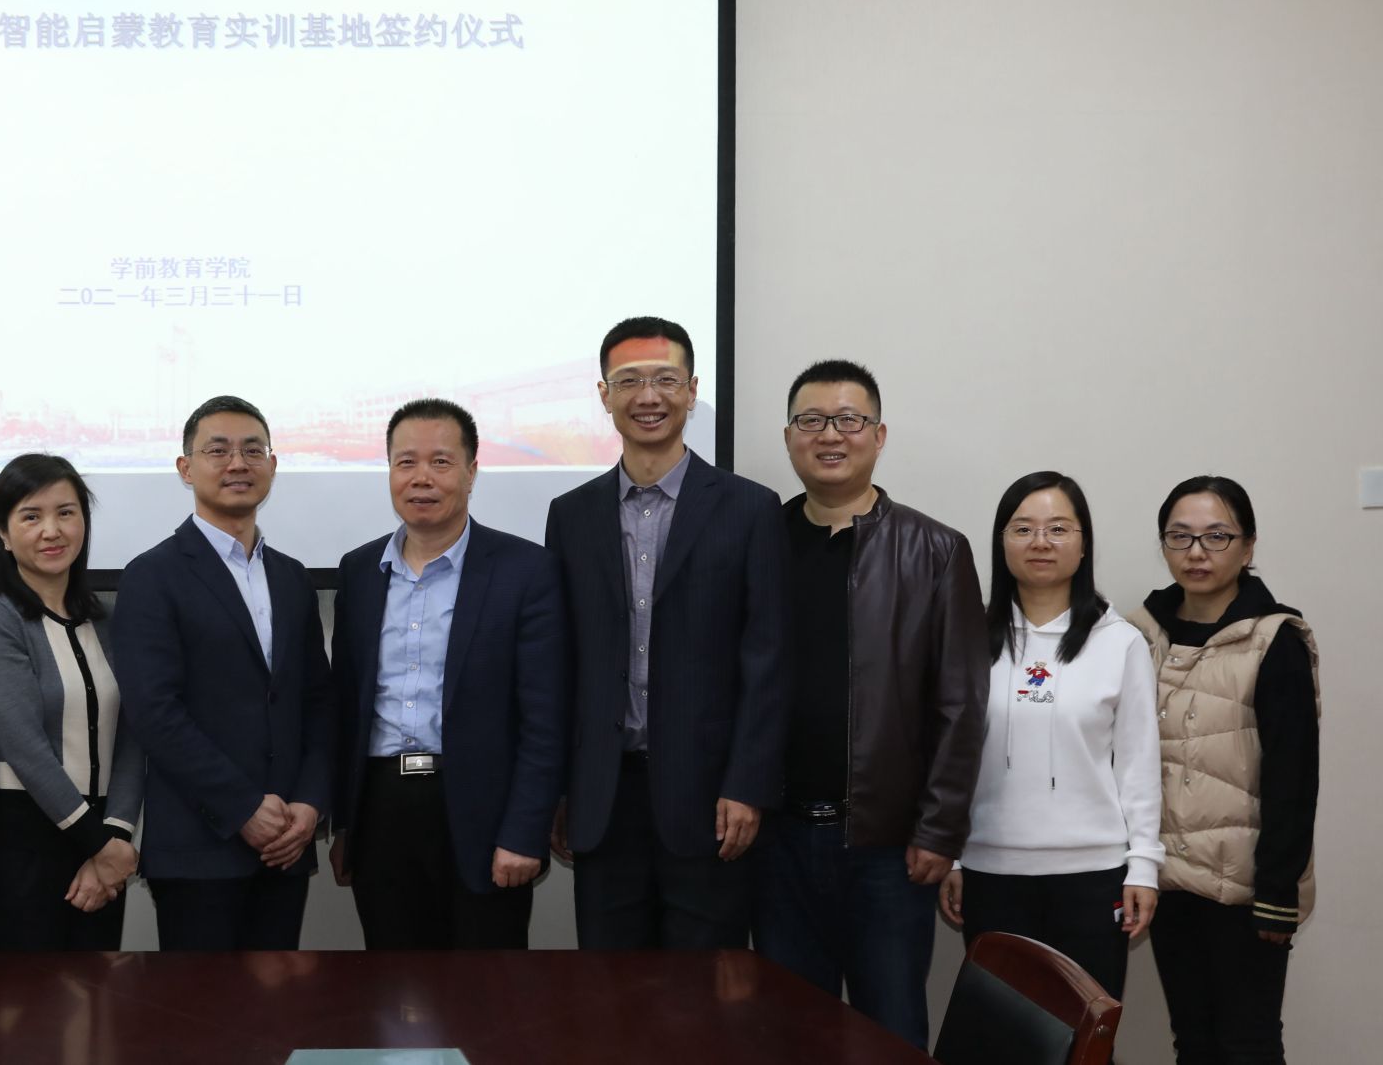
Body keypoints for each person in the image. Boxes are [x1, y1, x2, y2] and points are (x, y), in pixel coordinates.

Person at [754, 359, 989, 1050]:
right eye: (811, 420)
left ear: (878, 435)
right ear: (789, 437)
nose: (830, 435)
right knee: (790, 1033)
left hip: (887, 848)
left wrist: (939, 830)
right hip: (776, 840)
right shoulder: (758, 540)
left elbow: (961, 704)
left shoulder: (936, 549)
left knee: (889, 1031)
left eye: (849, 420)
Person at [544, 317, 791, 950]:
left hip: (711, 800)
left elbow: (767, 663)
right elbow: (563, 664)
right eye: (629, 381)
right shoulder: (570, 515)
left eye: (665, 380)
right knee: (609, 990)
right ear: (605, 395)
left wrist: (747, 785)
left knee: (704, 992)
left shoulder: (750, 509)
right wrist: (563, 788)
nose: (648, 397)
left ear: (692, 390)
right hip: (604, 797)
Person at [328, 398, 567, 949]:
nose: (422, 478)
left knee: (487, 987)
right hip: (381, 809)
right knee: (392, 982)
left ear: (471, 471)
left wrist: (524, 831)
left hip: (485, 813)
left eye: (440, 462)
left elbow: (546, 718)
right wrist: (345, 825)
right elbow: (345, 707)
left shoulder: (525, 571)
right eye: (406, 462)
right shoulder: (360, 571)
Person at [112, 395, 334, 951]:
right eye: (218, 450)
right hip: (198, 849)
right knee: (201, 1007)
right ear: (186, 468)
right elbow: (154, 713)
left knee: (281, 1002)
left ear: (272, 466)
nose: (238, 463)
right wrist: (242, 808)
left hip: (286, 843)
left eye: (253, 450)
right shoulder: (151, 576)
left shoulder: (292, 578)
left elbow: (317, 702)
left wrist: (310, 804)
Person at [937, 471, 1162, 1002]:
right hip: (990, 874)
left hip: (1093, 876)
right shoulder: (967, 637)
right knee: (1000, 1033)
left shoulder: (1120, 643)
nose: (1040, 542)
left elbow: (1139, 762)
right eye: (1023, 529)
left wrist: (1144, 866)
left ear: (1084, 545)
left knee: (1084, 1032)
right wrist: (952, 858)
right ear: (1002, 543)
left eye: (1059, 528)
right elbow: (946, 757)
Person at [1126, 476, 1319, 1064]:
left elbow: (1293, 777)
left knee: (1247, 1043)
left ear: (1248, 545)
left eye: (1216, 536)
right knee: (1193, 1040)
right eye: (1180, 536)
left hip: (1244, 888)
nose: (1196, 552)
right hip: (1166, 879)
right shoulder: (1138, 635)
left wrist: (1277, 894)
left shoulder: (1274, 640)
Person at [0, 454, 143, 953]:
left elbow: (134, 735)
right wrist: (100, 846)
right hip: (19, 840)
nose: (52, 530)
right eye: (31, 516)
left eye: (66, 512)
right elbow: (23, 746)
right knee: (20, 997)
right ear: (2, 533)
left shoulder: (108, 619)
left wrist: (116, 835)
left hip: (104, 835)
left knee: (96, 995)